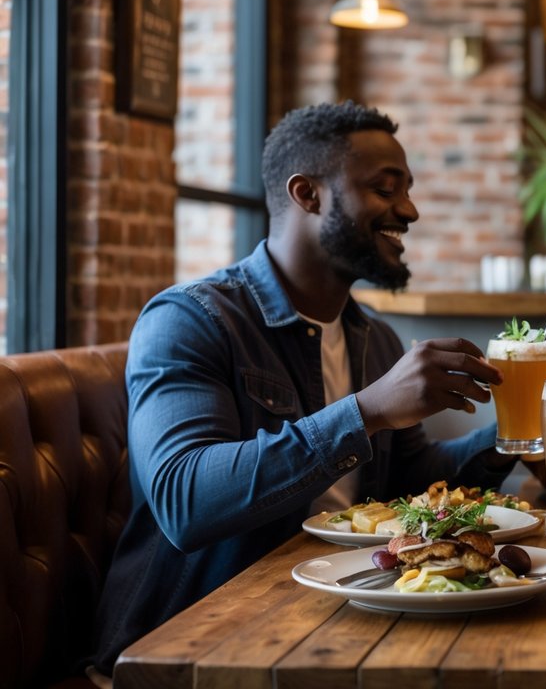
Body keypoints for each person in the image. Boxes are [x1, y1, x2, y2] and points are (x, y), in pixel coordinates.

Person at [89, 101, 516, 679]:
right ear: (307, 194)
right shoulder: (190, 320)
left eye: (407, 190)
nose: (409, 210)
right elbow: (184, 498)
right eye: (386, 189)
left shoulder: (374, 338)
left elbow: (412, 480)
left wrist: (515, 438)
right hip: (193, 644)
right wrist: (365, 411)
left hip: (333, 616)